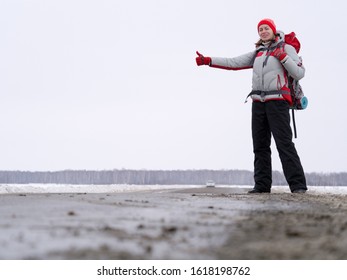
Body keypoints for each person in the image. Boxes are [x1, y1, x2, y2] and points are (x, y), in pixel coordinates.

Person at [195, 18, 307, 194]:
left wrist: (283, 57)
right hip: (258, 104)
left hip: (278, 102)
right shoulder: (258, 52)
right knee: (260, 146)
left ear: (273, 30)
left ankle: (298, 186)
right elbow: (233, 62)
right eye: (260, 29)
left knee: (284, 144)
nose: (263, 31)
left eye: (266, 28)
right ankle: (262, 186)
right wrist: (209, 60)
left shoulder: (286, 48)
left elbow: (299, 73)